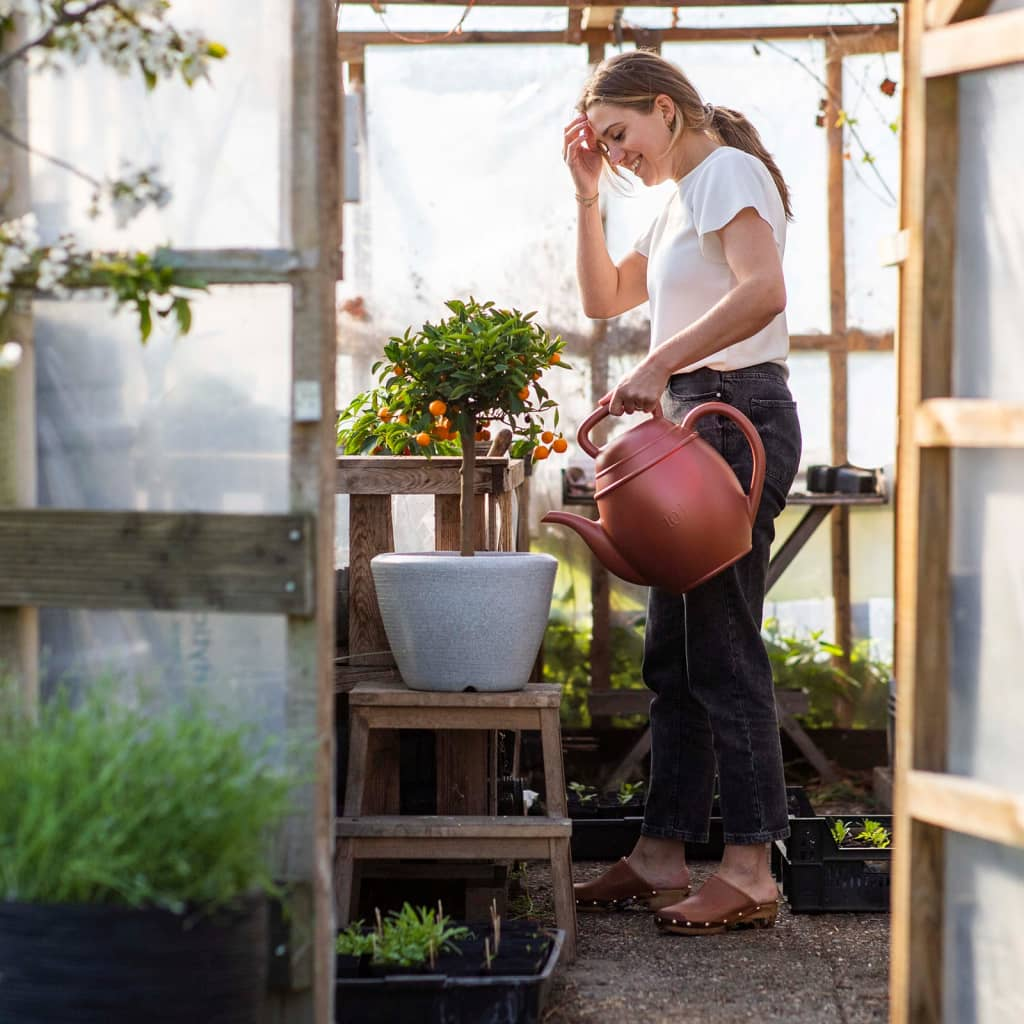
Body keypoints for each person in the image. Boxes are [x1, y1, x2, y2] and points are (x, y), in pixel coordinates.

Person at [563, 49, 802, 935]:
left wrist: (661, 363)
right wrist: (586, 189)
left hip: (734, 414)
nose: (619, 153)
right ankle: (663, 853)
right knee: (675, 655)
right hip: (695, 420)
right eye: (605, 144)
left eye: (621, 136)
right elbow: (600, 298)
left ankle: (748, 869)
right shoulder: (672, 203)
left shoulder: (724, 172)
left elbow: (765, 290)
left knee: (723, 648)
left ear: (666, 109)